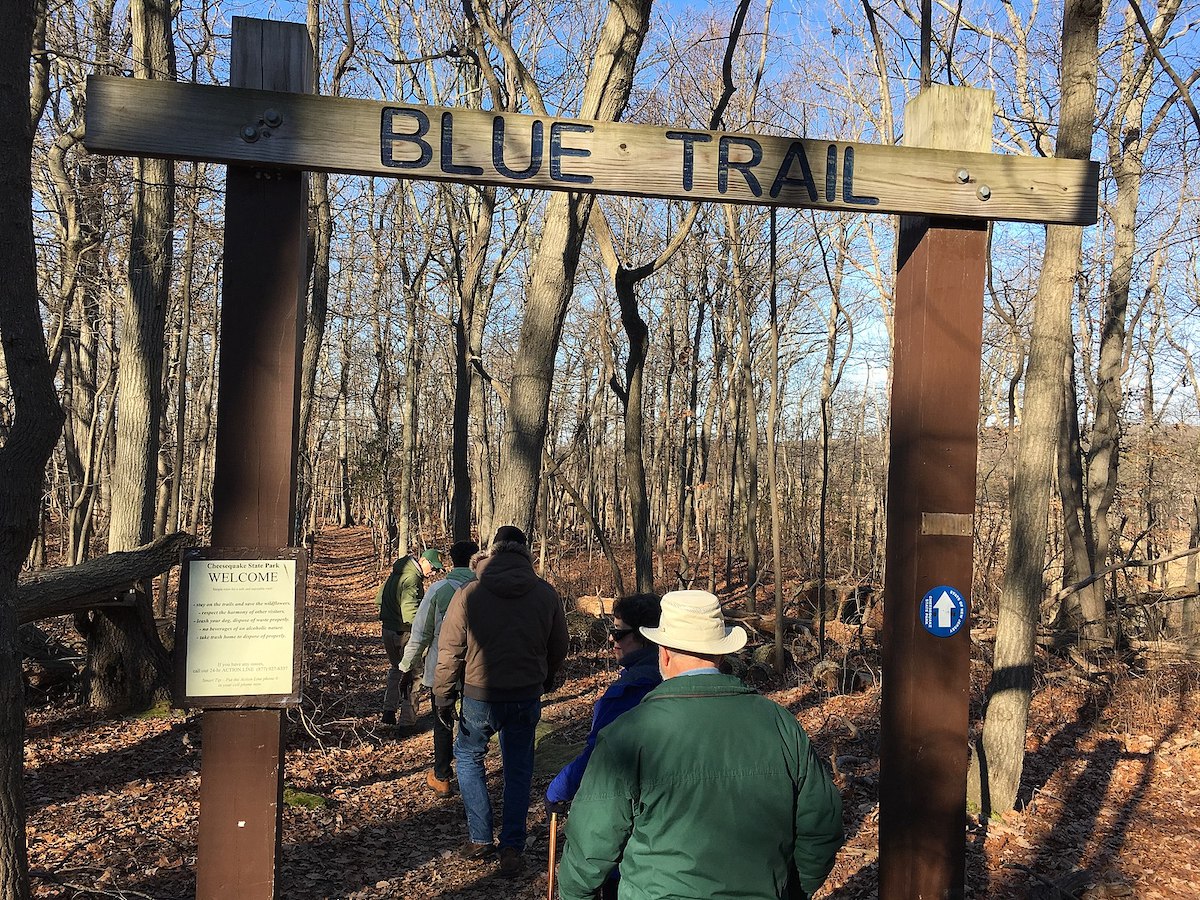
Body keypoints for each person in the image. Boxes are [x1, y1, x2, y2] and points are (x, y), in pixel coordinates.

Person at [556, 590, 845, 900]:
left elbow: (590, 846)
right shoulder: (780, 723)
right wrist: (793, 890)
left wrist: (573, 893)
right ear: (721, 654)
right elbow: (822, 826)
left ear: (662, 654)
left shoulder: (627, 733)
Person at [433, 524, 569, 877]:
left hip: (480, 694)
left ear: (493, 550)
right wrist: (547, 677)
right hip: (525, 693)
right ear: (526, 552)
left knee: (467, 756)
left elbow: (450, 652)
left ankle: (480, 838)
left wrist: (443, 696)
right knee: (518, 769)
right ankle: (512, 846)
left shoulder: (469, 593)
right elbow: (559, 646)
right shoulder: (545, 593)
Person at [545, 592, 662, 899]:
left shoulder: (626, 694)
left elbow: (598, 759)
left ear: (644, 637)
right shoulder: (670, 680)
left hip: (633, 845)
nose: (612, 640)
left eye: (619, 633)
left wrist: (559, 788)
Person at [397, 539, 480, 796]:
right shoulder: (484, 589)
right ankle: (471, 777)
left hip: (440, 669)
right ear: (474, 559)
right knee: (473, 724)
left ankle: (442, 776)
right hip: (476, 670)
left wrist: (406, 667)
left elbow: (420, 634)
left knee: (442, 722)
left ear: (452, 561)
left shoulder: (438, 590)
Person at [377, 547, 442, 726]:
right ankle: (407, 722)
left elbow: (378, 599)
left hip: (388, 631)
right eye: (433, 567)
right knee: (414, 675)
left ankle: (388, 711)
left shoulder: (396, 573)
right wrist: (424, 630)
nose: (434, 572)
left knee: (396, 670)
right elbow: (410, 614)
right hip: (405, 633)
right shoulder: (412, 579)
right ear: (423, 561)